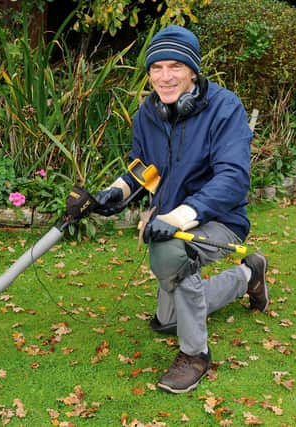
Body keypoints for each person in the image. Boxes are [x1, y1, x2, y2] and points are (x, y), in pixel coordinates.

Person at [93, 25, 269, 394]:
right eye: (156, 68)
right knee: (169, 317)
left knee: (170, 252)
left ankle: (195, 354)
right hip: (174, 219)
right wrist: (118, 191)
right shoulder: (149, 113)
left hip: (221, 221)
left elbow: (233, 178)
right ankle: (247, 276)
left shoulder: (225, 108)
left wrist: (177, 218)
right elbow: (144, 167)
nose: (165, 76)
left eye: (174, 66)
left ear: (193, 71)